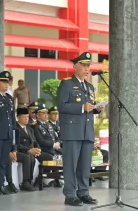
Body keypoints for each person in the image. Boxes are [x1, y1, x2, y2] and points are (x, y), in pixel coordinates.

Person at [57, 52, 104, 206]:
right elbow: (62, 106)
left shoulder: (90, 87)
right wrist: (82, 107)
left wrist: (96, 109)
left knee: (85, 165)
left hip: (87, 131)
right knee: (71, 164)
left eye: (88, 65)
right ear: (75, 66)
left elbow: (89, 107)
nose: (86, 68)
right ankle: (70, 194)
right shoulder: (66, 84)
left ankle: (83, 192)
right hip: (72, 132)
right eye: (83, 65)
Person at [5, 108, 36, 192]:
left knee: (32, 158)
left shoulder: (30, 129)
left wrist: (37, 149)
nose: (26, 119)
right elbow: (16, 144)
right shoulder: (14, 128)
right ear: (18, 117)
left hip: (27, 151)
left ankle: (29, 181)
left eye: (27, 117)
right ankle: (25, 182)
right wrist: (28, 150)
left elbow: (34, 141)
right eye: (24, 117)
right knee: (27, 157)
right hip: (17, 151)